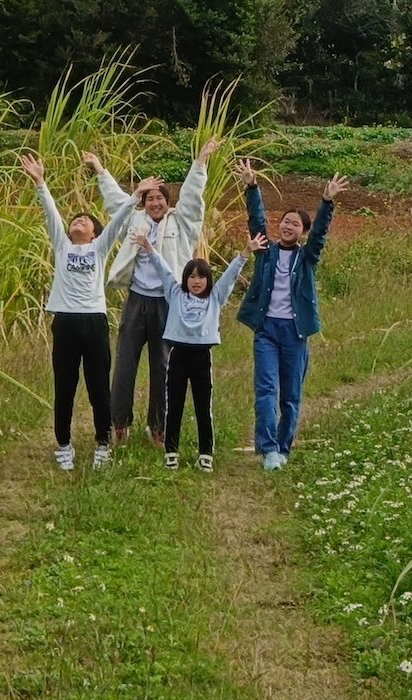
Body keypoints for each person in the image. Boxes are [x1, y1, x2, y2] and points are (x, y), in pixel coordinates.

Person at [99, 137, 217, 447]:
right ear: (143, 203)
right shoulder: (134, 220)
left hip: (168, 302)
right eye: (149, 199)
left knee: (163, 365)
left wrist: (200, 162)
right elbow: (115, 202)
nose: (154, 203)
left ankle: (159, 425)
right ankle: (119, 421)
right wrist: (100, 169)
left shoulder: (182, 223)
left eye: (159, 199)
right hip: (137, 298)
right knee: (125, 362)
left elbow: (193, 197)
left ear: (167, 202)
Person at [23, 152, 136, 471]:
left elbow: (118, 223)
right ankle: (63, 444)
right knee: (65, 386)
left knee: (99, 385)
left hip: (94, 322)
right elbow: (51, 215)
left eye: (85, 220)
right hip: (66, 322)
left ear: (95, 234)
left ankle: (102, 443)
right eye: (76, 219)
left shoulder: (99, 248)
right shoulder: (62, 246)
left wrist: (137, 195)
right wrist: (40, 182)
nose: (78, 221)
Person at [238, 160, 347, 470]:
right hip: (267, 330)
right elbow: (256, 221)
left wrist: (326, 202)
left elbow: (321, 234)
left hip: (296, 333)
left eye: (295, 224)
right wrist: (251, 186)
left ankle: (284, 447)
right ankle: (269, 448)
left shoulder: (307, 257)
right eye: (285, 222)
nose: (287, 227)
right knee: (267, 389)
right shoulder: (265, 250)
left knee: (291, 395)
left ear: (303, 232)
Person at [142, 230, 248, 472]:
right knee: (174, 406)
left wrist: (244, 253)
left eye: (201, 277)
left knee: (203, 407)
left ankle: (205, 453)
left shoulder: (215, 297)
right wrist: (148, 247)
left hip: (202, 356)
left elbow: (230, 276)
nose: (196, 281)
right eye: (191, 276)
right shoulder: (175, 293)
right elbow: (163, 269)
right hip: (177, 354)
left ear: (208, 280)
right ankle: (171, 451)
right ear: (185, 279)